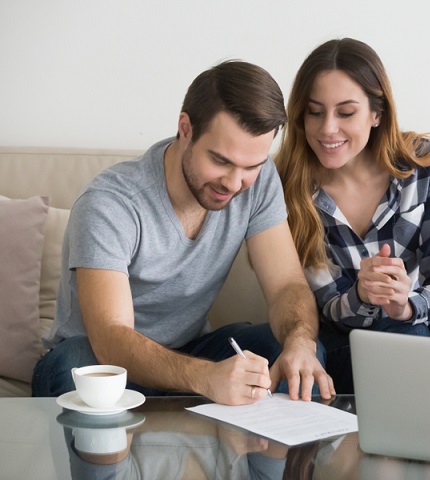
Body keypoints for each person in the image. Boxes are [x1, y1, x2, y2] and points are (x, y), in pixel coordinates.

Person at [32, 60, 334, 405]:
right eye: (221, 161)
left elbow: (286, 286)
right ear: (185, 128)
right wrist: (206, 378)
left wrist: (300, 344)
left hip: (191, 351)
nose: (235, 183)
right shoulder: (110, 203)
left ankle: (286, 457)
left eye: (251, 166)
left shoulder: (260, 181)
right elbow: (111, 338)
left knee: (295, 355)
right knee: (75, 366)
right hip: (101, 362)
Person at [275, 38, 430, 393]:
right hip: (346, 339)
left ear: (377, 113)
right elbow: (327, 305)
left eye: (346, 113)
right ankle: (428, 439)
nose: (328, 128)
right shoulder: (289, 186)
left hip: (416, 318)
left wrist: (405, 304)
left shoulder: (422, 163)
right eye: (315, 112)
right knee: (407, 335)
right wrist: (363, 293)